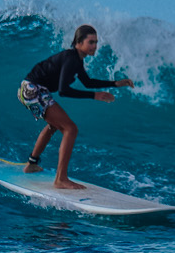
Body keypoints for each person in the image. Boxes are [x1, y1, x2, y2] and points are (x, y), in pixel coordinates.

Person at [18, 24, 134, 190]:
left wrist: (115, 83)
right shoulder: (71, 58)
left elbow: (87, 82)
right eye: (91, 42)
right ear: (79, 42)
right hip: (33, 90)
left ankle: (32, 164)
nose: (95, 46)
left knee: (54, 126)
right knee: (71, 129)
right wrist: (94, 96)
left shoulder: (77, 60)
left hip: (29, 89)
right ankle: (61, 179)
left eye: (96, 42)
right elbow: (64, 90)